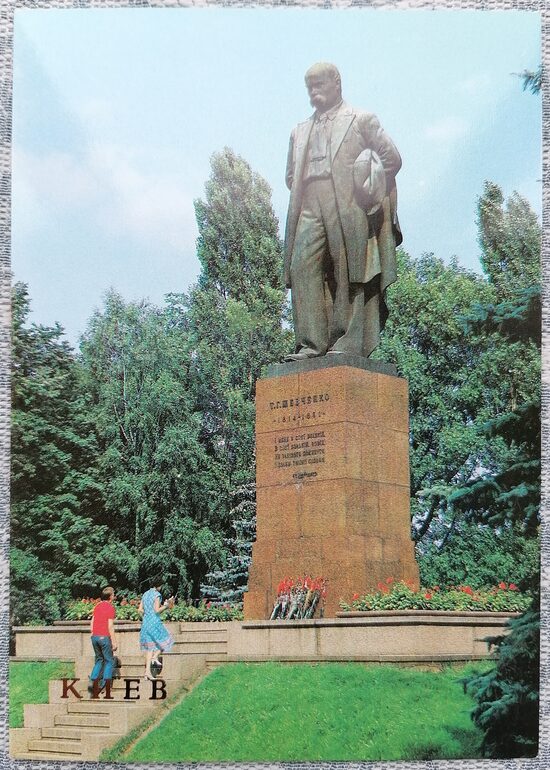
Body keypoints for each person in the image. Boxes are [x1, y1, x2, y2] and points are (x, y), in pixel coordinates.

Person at [284, 62, 403, 361]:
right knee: (301, 267)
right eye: (309, 87)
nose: (313, 92)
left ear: (336, 83)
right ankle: (311, 343)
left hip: (348, 204)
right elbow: (291, 176)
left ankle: (347, 341)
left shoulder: (361, 120)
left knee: (347, 269)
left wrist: (368, 189)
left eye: (319, 85)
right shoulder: (299, 131)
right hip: (310, 203)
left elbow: (392, 159)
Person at [138, 580, 175, 680]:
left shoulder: (145, 594)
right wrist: (166, 606)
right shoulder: (157, 595)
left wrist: (147, 614)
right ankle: (155, 656)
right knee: (167, 639)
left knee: (149, 648)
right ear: (158, 585)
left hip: (146, 623)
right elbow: (157, 610)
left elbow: (140, 609)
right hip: (155, 622)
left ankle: (147, 673)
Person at [88, 585, 117, 694]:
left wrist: (93, 634)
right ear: (110, 597)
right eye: (113, 594)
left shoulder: (97, 606)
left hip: (95, 637)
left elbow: (92, 622)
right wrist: (114, 641)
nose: (114, 596)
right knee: (109, 661)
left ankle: (93, 680)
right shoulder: (110, 607)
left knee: (99, 659)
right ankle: (104, 685)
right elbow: (110, 626)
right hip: (104, 637)